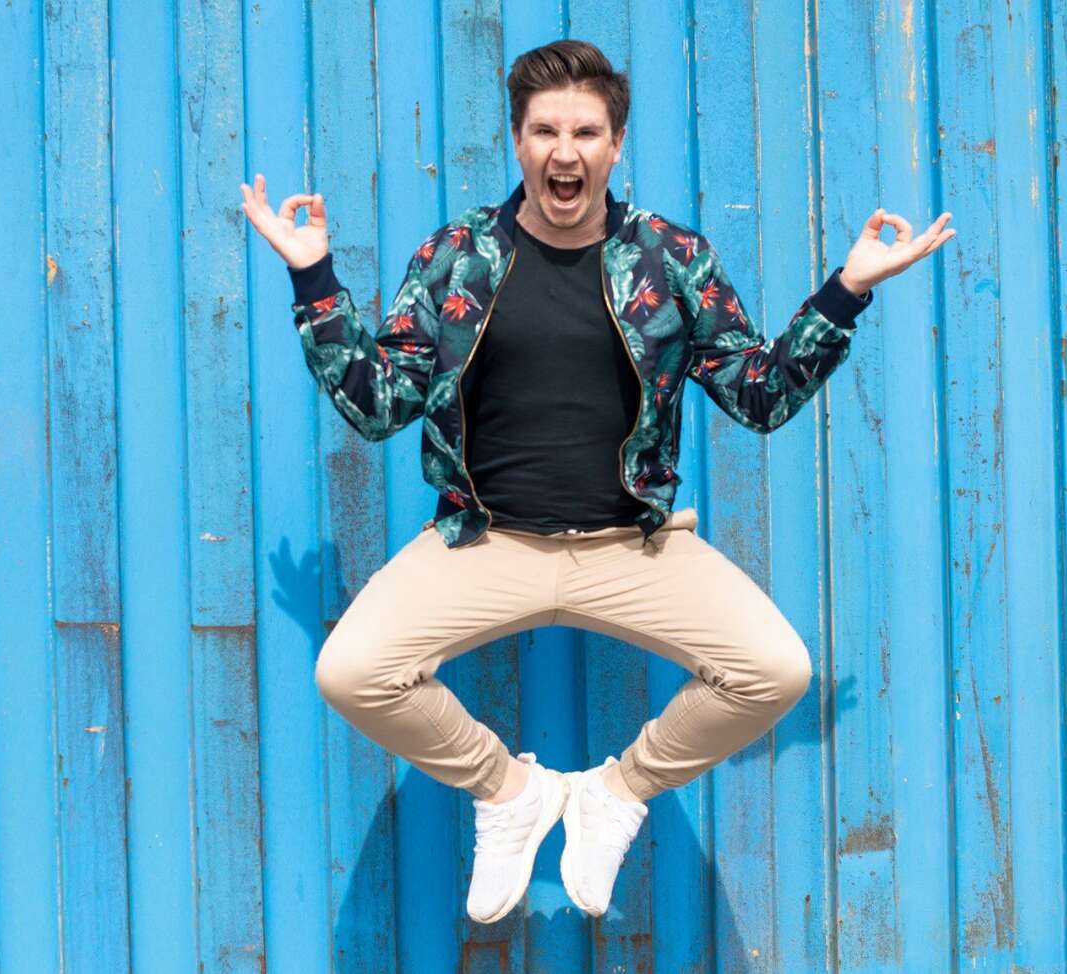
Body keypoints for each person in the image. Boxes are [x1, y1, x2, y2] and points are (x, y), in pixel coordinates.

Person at [238, 39, 954, 925]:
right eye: (545, 131)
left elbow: (759, 395)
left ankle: (614, 795)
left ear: (615, 145)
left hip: (630, 547)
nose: (564, 152)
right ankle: (513, 795)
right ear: (517, 141)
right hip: (485, 541)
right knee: (352, 673)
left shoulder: (670, 257)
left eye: (585, 132)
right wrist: (312, 276)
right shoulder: (458, 254)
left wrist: (846, 291)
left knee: (774, 671)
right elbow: (380, 405)